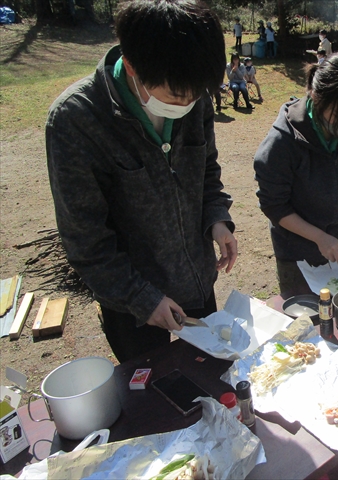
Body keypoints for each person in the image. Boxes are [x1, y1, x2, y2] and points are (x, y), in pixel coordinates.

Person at [46, 0, 238, 363]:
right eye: (178, 97)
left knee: (212, 382)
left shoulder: (191, 91)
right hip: (132, 306)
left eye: (198, 96)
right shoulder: (77, 121)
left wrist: (216, 218)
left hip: (196, 282)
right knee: (155, 401)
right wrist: (142, 299)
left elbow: (207, 170)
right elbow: (86, 240)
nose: (191, 104)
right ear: (132, 67)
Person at [253, 51, 338, 298]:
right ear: (317, 97)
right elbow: (274, 205)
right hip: (295, 255)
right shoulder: (283, 140)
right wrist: (319, 237)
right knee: (306, 325)